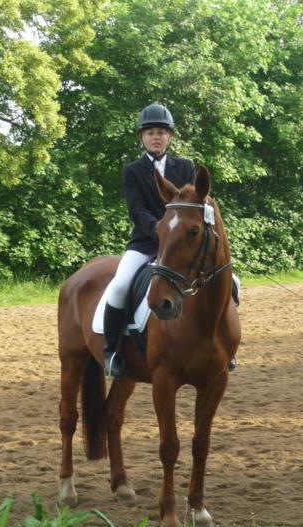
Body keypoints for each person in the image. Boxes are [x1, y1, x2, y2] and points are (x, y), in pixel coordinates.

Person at [103, 103, 195, 377]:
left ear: (170, 136)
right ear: (142, 137)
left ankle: (225, 347)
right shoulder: (132, 171)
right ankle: (112, 351)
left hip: (181, 245)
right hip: (146, 243)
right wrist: (159, 229)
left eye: (161, 132)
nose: (156, 137)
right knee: (119, 286)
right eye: (150, 132)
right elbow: (137, 211)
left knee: (228, 281)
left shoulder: (185, 167)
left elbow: (192, 205)